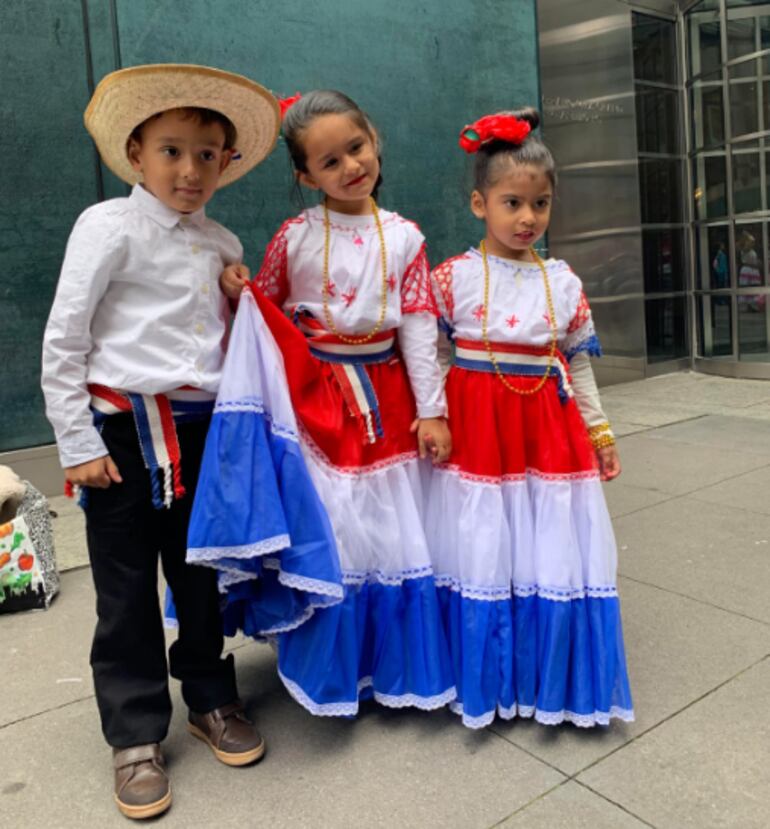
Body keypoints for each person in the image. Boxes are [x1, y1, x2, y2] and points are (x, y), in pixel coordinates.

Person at [41, 64, 280, 819]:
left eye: (207, 155)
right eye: (172, 151)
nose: (190, 170)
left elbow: (217, 349)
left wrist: (238, 300)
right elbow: (65, 338)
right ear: (136, 153)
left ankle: (210, 696)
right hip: (121, 435)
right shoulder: (107, 227)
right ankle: (136, 732)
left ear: (226, 163)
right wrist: (76, 442)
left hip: (202, 434)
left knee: (199, 574)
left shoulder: (221, 241)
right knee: (123, 590)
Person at [197, 89, 455, 717]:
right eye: (330, 162)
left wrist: (432, 409)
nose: (350, 167)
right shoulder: (296, 237)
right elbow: (264, 308)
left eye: (356, 148)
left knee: (391, 532)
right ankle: (331, 660)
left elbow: (418, 325)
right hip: (316, 404)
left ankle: (387, 665)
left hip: (389, 400)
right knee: (336, 531)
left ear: (375, 140)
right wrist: (237, 291)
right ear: (306, 176)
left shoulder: (406, 238)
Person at [425, 109, 634, 729]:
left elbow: (579, 364)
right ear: (479, 203)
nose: (527, 218)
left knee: (545, 548)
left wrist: (600, 432)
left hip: (548, 430)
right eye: (511, 202)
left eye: (540, 204)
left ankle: (549, 677)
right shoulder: (453, 278)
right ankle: (485, 675)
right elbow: (433, 356)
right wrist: (434, 417)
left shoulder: (563, 282)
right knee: (484, 544)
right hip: (476, 434)